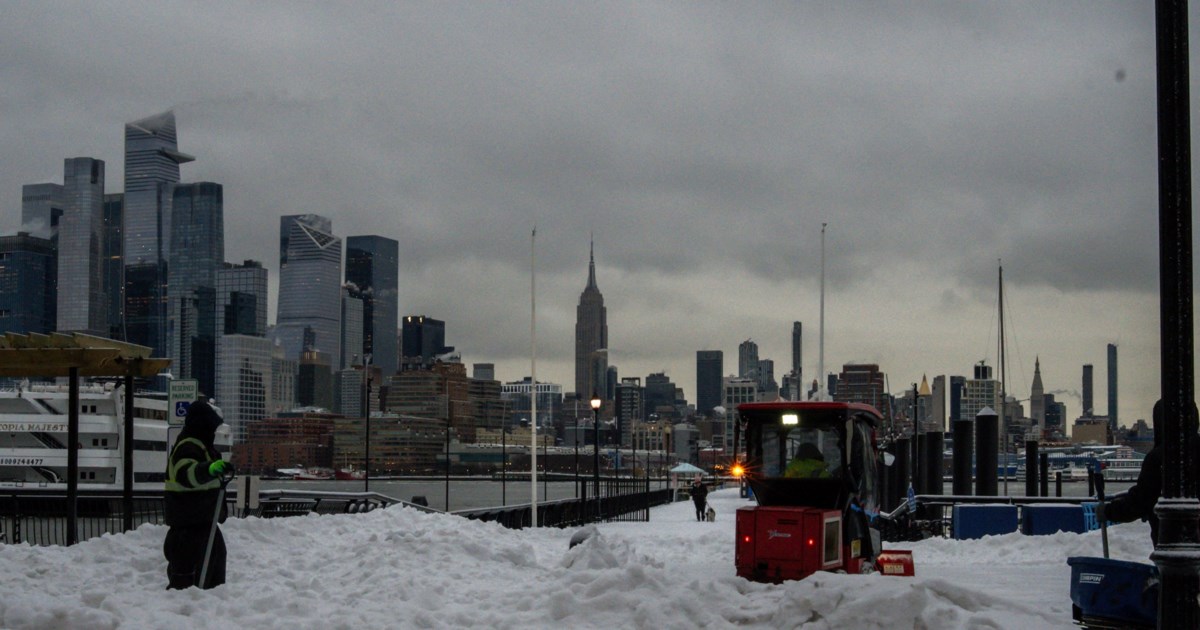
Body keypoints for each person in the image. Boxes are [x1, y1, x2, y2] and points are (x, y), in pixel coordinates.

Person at [164, 399, 230, 589]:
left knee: (213, 577)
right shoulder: (188, 447)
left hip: (203, 524)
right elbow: (187, 474)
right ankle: (182, 615)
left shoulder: (204, 448)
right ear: (203, 426)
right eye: (211, 428)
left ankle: (208, 612)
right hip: (188, 529)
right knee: (186, 585)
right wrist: (210, 469)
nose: (213, 433)